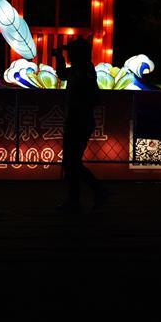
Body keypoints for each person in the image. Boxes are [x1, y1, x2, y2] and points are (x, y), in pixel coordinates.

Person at [54, 37, 108, 212]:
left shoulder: (84, 70)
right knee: (71, 162)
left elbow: (88, 95)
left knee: (71, 162)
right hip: (78, 121)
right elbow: (62, 74)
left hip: (79, 121)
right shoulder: (83, 69)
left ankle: (92, 192)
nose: (69, 53)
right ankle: (78, 198)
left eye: (71, 51)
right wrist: (60, 59)